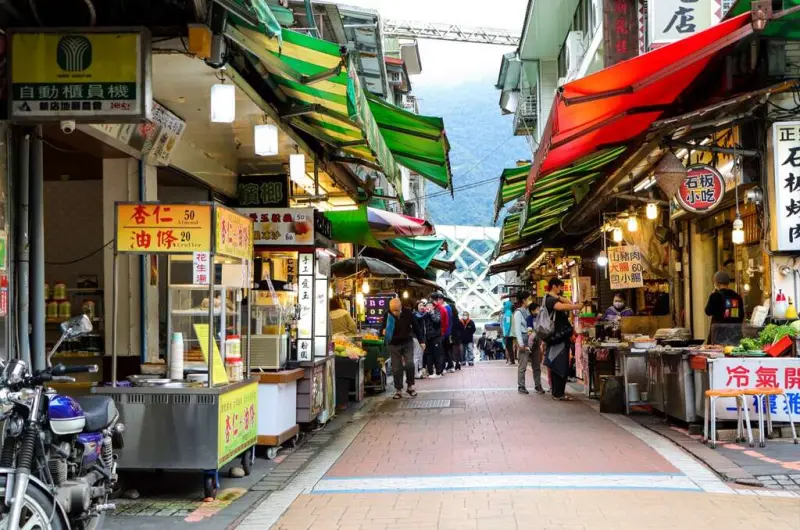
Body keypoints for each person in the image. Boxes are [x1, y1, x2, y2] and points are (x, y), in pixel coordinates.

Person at [543, 278, 583, 401]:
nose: (562, 289)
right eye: (560, 286)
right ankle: (558, 393)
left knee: (559, 364)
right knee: (559, 365)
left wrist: (560, 296)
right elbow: (560, 307)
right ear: (554, 286)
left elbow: (567, 302)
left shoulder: (553, 297)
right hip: (557, 338)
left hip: (559, 337)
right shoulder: (549, 300)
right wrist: (576, 306)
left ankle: (557, 392)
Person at [381, 298, 425, 399]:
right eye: (393, 310)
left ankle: (410, 386)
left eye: (396, 310)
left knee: (410, 363)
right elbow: (382, 329)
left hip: (407, 342)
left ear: (401, 307)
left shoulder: (408, 313)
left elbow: (416, 327)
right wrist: (383, 331)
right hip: (393, 343)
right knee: (396, 367)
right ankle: (398, 389)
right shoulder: (387, 314)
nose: (394, 313)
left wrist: (421, 341)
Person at [502, 297, 516, 364]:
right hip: (510, 333)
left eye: (504, 305)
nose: (504, 307)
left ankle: (512, 360)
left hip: (509, 333)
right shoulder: (509, 312)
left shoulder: (507, 313)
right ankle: (512, 360)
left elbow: (508, 324)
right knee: (509, 346)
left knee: (508, 346)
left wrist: (506, 333)